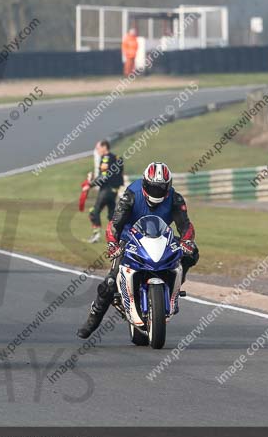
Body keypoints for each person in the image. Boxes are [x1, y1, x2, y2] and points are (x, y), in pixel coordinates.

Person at [77, 162, 199, 339]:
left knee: (192, 253)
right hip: (129, 238)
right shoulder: (131, 195)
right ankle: (92, 320)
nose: (157, 192)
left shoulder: (175, 198)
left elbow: (185, 225)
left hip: (161, 237)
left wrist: (187, 241)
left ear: (168, 186)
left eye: (161, 188)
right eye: (153, 187)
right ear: (145, 184)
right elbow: (115, 223)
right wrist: (113, 243)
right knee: (110, 282)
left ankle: (176, 285)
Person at [87, 140, 124, 243]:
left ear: (104, 147)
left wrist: (90, 184)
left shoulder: (106, 158)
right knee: (112, 215)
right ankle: (116, 237)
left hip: (106, 190)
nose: (97, 150)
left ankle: (96, 235)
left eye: (98, 148)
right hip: (114, 191)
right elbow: (118, 174)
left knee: (94, 211)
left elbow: (104, 177)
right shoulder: (116, 158)